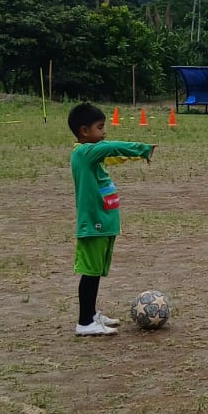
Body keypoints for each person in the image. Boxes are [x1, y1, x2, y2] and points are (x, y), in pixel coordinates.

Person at [68, 102, 155, 335]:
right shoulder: (84, 153)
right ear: (84, 131)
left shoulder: (91, 155)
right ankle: (84, 322)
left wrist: (133, 157)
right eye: (99, 127)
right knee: (90, 272)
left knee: (95, 271)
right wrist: (142, 149)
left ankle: (91, 314)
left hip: (103, 224)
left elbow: (112, 154)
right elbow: (111, 147)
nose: (104, 132)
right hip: (93, 224)